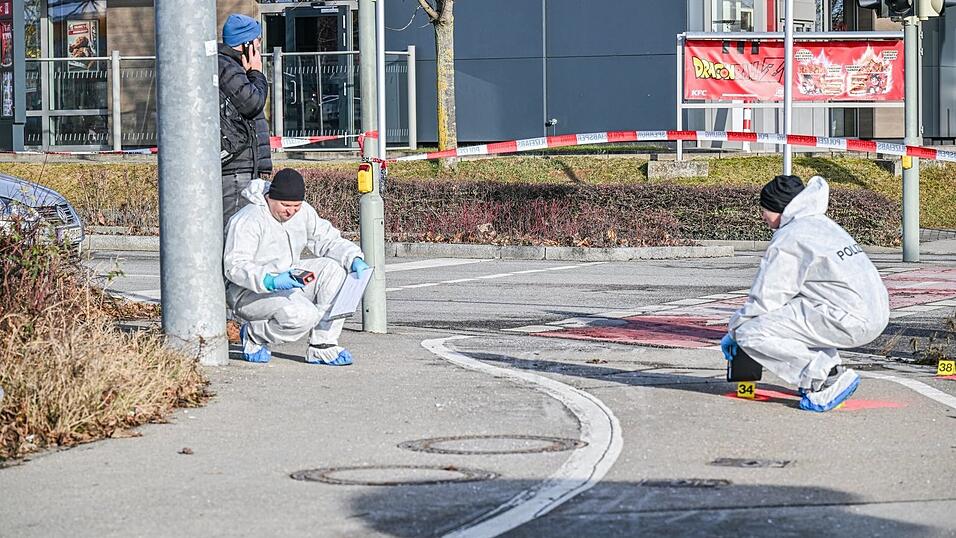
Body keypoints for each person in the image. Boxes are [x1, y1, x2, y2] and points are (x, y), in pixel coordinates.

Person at [720, 175, 889, 412]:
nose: (762, 216)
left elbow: (767, 297)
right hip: (873, 312)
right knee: (793, 315)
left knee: (751, 333)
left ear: (780, 208)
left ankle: (827, 377)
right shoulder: (822, 224)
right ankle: (829, 368)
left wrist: (735, 329)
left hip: (849, 318)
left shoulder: (790, 238)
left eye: (765, 209)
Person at [223, 169, 369, 365]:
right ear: (270, 198)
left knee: (334, 270)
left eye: (296, 206)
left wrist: (353, 258)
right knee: (303, 316)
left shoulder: (304, 212)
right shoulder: (248, 219)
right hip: (248, 292)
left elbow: (327, 239)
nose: (290, 211)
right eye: (285, 205)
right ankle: (254, 335)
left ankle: (322, 345)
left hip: (288, 279)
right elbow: (235, 265)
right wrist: (270, 280)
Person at [218, 13, 273, 228]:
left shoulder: (233, 68)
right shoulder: (228, 68)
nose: (259, 50)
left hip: (243, 167)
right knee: (235, 233)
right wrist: (256, 73)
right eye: (257, 43)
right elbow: (253, 103)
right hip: (236, 169)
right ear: (247, 45)